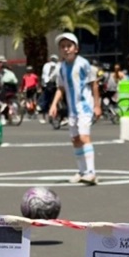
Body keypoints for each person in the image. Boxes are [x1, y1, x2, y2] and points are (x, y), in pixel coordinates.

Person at [49, 32, 100, 185]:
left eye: (69, 46)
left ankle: (91, 172)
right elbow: (61, 88)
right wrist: (53, 104)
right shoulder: (62, 67)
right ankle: (82, 171)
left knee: (84, 138)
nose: (66, 49)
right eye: (63, 47)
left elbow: (94, 84)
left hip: (84, 106)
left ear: (76, 48)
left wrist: (97, 105)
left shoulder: (83, 64)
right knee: (75, 140)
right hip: (72, 109)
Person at [39, 54, 59, 123]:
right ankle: (56, 115)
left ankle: (44, 117)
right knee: (55, 100)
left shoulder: (46, 65)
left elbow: (43, 75)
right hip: (55, 85)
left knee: (46, 100)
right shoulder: (58, 66)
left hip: (47, 85)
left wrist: (43, 84)